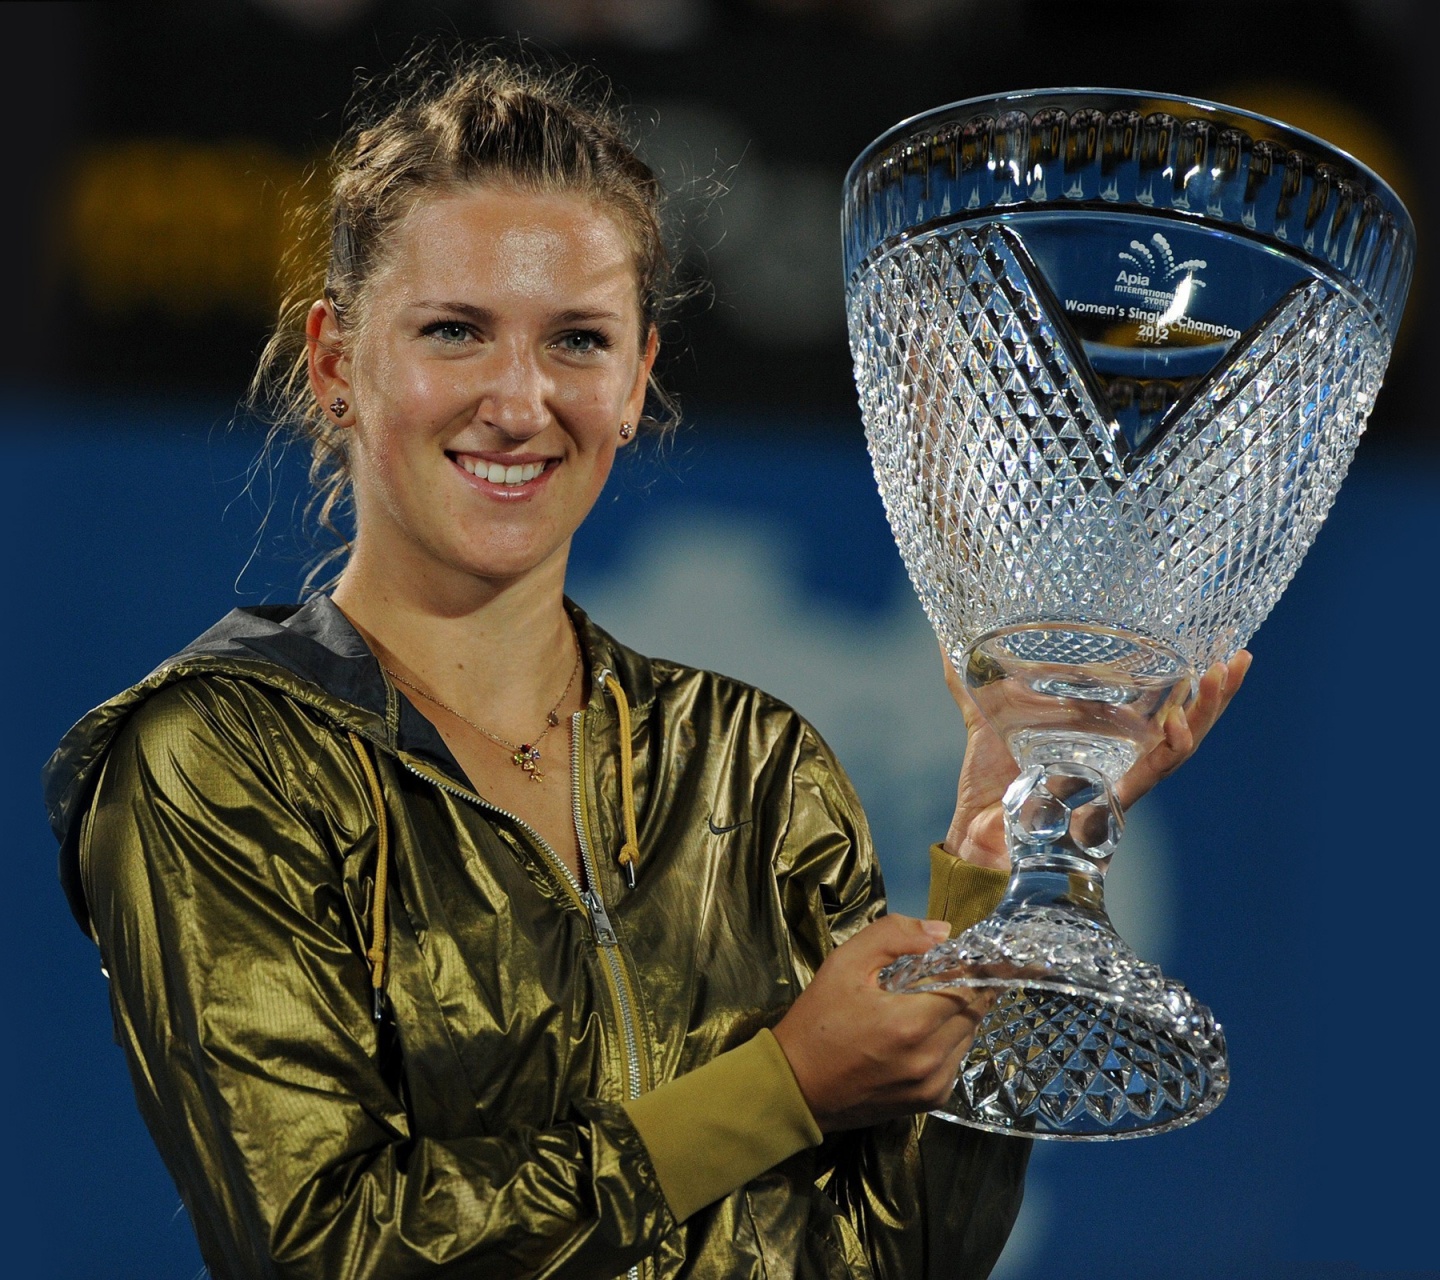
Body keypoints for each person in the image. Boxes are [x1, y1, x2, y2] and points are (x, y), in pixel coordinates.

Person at [42, 46, 1248, 1280]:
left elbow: (904, 1255)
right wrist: (778, 1087)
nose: (519, 401)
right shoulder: (217, 752)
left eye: (576, 340)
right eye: (455, 330)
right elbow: (323, 1247)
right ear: (337, 363)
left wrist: (996, 859)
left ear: (635, 382)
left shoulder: (753, 761)